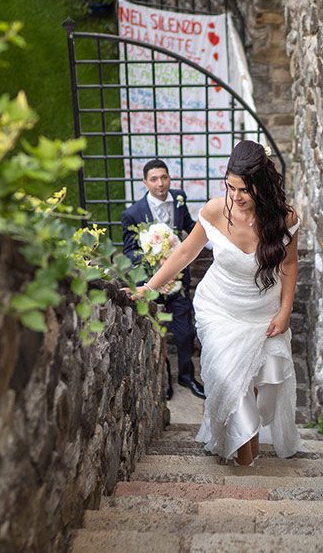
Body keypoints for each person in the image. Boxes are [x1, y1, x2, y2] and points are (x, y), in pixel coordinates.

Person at [133, 141, 301, 465]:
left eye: (243, 190)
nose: (235, 197)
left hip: (263, 313)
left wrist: (285, 311)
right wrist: (149, 288)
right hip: (219, 309)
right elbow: (184, 252)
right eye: (230, 186)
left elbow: (290, 265)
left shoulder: (285, 218)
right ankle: (246, 462)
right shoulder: (214, 210)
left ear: (262, 186)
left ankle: (248, 462)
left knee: (253, 386)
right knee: (229, 381)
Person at [122, 159, 206, 400]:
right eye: (154, 179)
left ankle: (187, 376)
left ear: (169, 178)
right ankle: (165, 379)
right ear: (145, 182)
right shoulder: (132, 214)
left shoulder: (179, 199)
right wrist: (151, 259)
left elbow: (188, 225)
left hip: (179, 280)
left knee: (185, 332)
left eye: (164, 177)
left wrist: (209, 238)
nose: (161, 183)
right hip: (150, 283)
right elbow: (129, 251)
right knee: (158, 332)